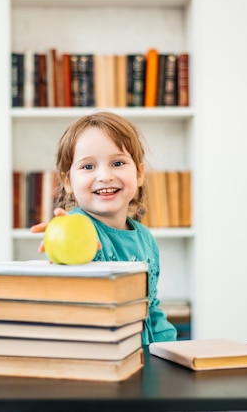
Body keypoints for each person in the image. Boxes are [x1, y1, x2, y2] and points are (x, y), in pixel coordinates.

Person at [31, 111, 177, 345]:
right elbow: (72, 285)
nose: (104, 176)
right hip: (97, 360)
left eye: (117, 163)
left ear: (139, 173)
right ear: (67, 181)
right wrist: (60, 237)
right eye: (88, 166)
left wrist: (169, 350)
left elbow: (152, 308)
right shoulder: (79, 229)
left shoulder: (146, 238)